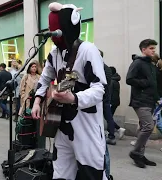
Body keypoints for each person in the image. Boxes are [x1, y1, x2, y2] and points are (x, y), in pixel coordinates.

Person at [31, 3, 108, 179]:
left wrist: (74, 98)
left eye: (56, 30)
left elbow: (100, 89)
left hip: (86, 127)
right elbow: (44, 79)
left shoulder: (88, 50)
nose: (54, 35)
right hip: (61, 126)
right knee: (60, 173)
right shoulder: (54, 54)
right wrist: (37, 101)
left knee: (92, 173)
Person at [126, 39, 159, 168]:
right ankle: (135, 152)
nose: (153, 50)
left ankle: (140, 155)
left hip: (150, 100)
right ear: (143, 49)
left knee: (143, 128)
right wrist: (145, 84)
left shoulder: (151, 65)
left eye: (154, 48)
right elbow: (129, 79)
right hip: (140, 100)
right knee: (148, 126)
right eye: (151, 48)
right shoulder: (138, 63)